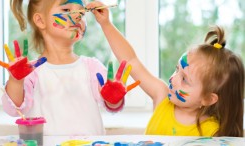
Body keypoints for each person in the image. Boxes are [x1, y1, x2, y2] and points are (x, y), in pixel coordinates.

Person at [88, 1, 245, 137]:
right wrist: (106, 24)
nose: (173, 79)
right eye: (177, 69)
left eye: (184, 79)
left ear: (208, 99)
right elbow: (131, 60)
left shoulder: (212, 133)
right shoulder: (162, 96)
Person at [0, 0, 127, 136]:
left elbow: (112, 106)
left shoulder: (92, 67)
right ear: (40, 20)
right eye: (66, 10)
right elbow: (13, 109)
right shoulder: (31, 71)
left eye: (81, 13)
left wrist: (114, 99)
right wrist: (16, 81)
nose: (77, 17)